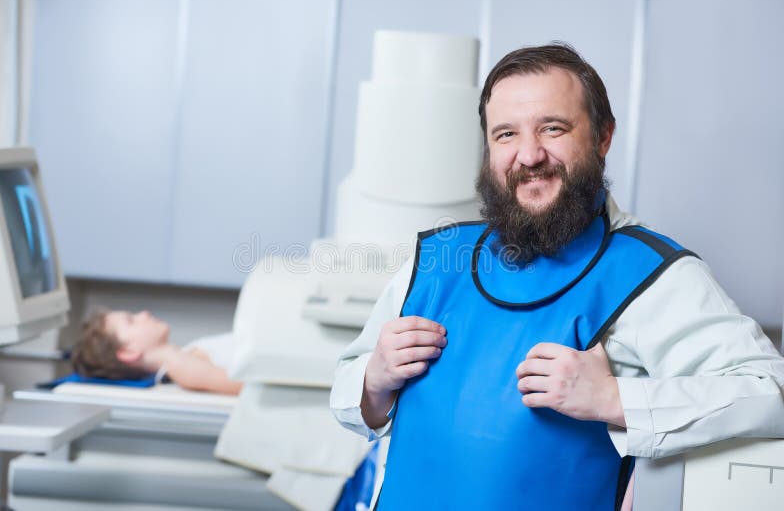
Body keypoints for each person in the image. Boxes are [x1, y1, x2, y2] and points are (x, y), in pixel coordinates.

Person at [329, 43, 784, 510]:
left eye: (552, 128)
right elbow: (350, 398)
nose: (529, 155)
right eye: (506, 134)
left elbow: (770, 392)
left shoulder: (651, 275)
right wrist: (374, 379)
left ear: (603, 137)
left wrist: (613, 398)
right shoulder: (437, 259)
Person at [71, 308, 242, 395]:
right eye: (131, 321)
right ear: (128, 352)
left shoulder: (185, 355)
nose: (144, 314)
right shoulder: (182, 367)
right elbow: (250, 388)